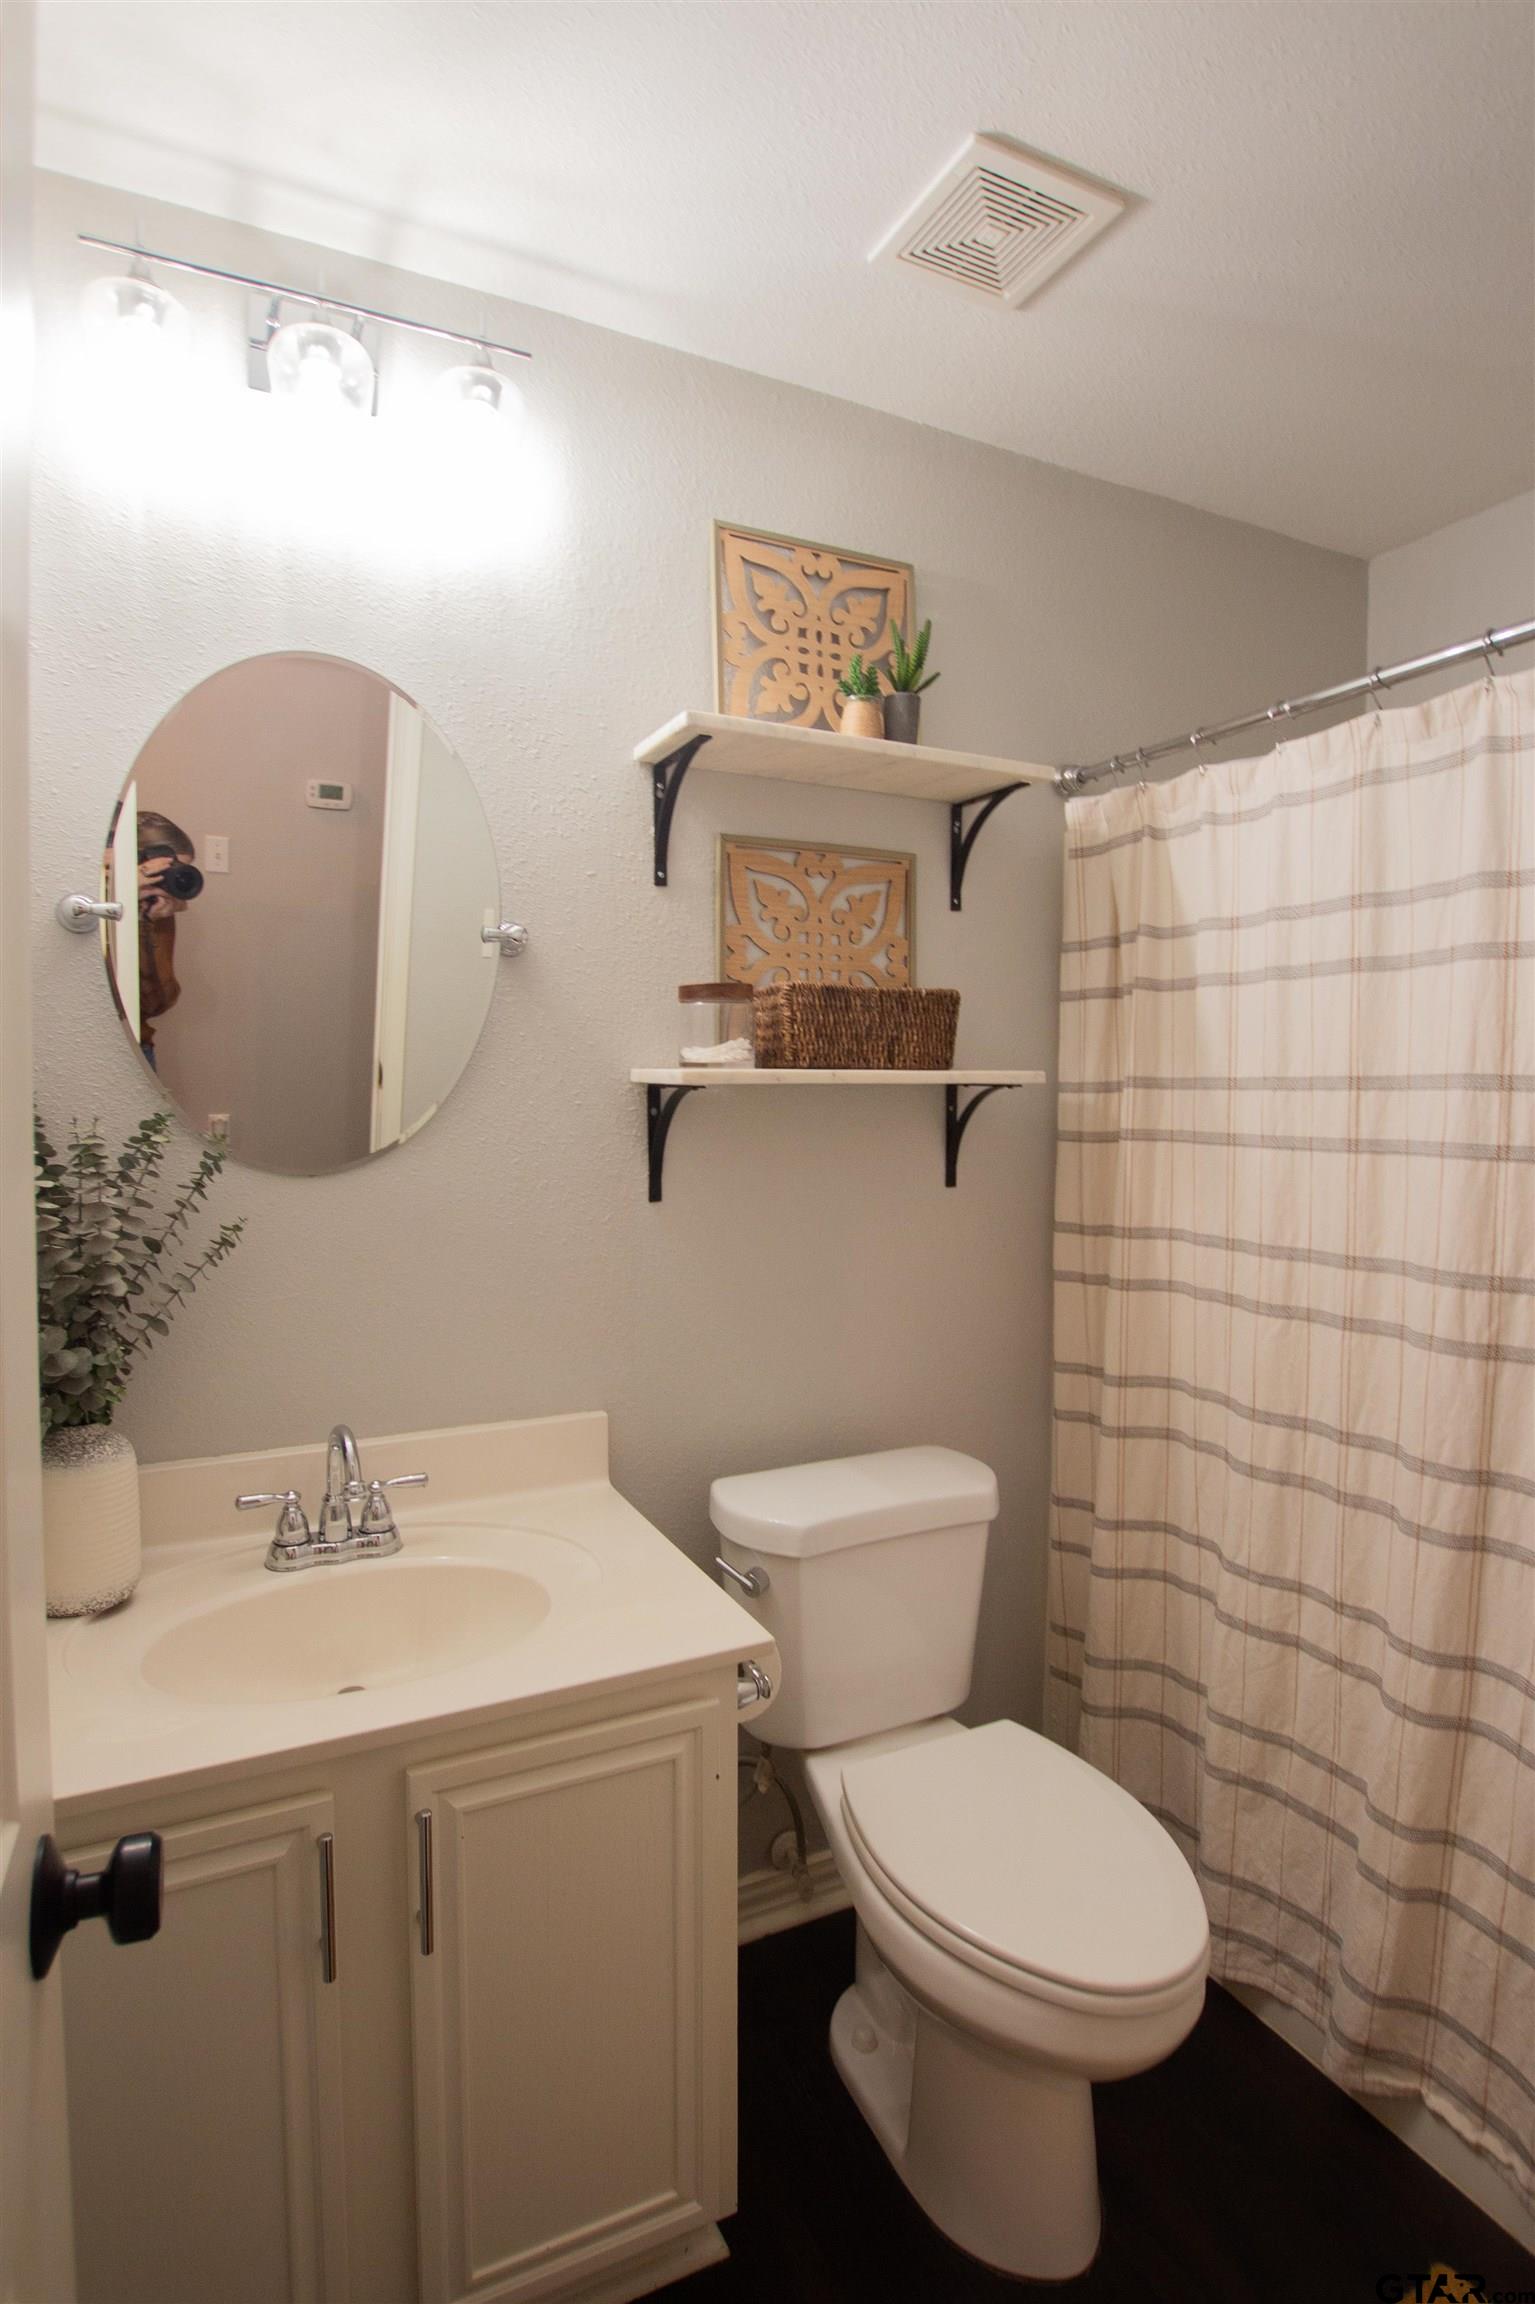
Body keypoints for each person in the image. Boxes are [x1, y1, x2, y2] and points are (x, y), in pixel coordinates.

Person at [133, 809, 198, 1065]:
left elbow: (157, 1002)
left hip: (138, 1045)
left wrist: (145, 922)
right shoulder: (91, 903)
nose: (169, 880)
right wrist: (119, 898)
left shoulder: (156, 908)